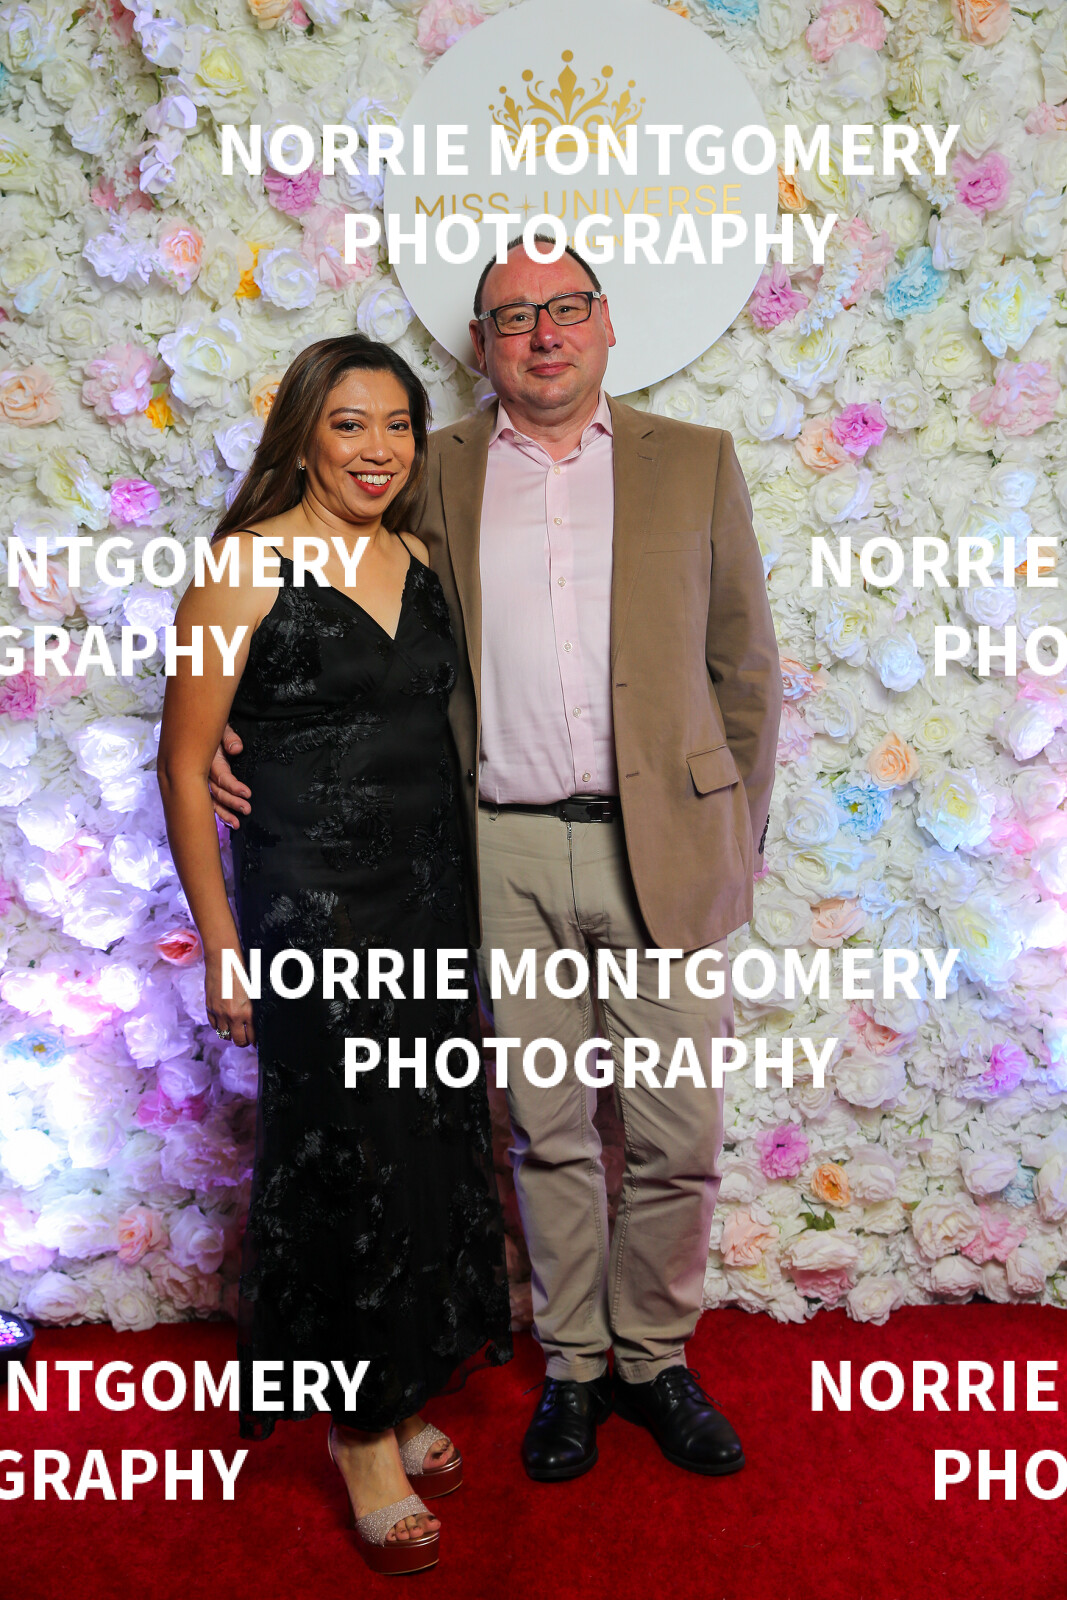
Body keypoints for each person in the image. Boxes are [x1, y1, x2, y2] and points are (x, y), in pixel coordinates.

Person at [211, 239, 782, 1483]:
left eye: (565, 308)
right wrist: (226, 728)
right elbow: (340, 611)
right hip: (497, 851)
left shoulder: (695, 459)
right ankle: (571, 1366)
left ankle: (655, 1358)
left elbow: (744, 670)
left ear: (606, 322)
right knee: (545, 1129)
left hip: (660, 847)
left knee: (677, 1132)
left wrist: (726, 840)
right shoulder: (434, 467)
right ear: (481, 345)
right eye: (513, 316)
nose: (542, 333)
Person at [157, 334, 511, 1575]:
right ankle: (359, 1434)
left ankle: (404, 1386)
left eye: (397, 425)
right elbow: (181, 765)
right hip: (310, 911)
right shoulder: (241, 567)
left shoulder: (421, 560)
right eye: (350, 424)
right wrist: (223, 948)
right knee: (348, 1158)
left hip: (430, 903)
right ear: (303, 434)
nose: (378, 449)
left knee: (426, 1142)